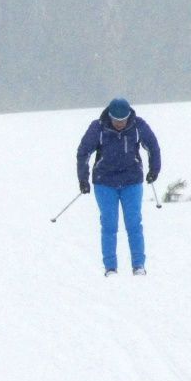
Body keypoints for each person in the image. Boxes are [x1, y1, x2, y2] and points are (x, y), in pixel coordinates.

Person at [76, 98, 160, 276]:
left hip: (132, 182)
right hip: (104, 182)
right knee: (109, 225)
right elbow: (83, 152)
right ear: (110, 117)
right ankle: (110, 268)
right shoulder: (98, 128)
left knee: (134, 224)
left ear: (129, 116)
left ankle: (138, 265)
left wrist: (154, 170)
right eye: (116, 120)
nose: (120, 124)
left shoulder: (138, 126)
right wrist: (83, 179)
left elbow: (153, 146)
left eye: (123, 120)